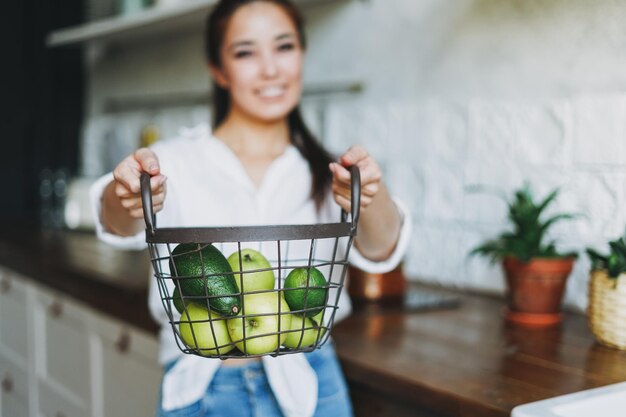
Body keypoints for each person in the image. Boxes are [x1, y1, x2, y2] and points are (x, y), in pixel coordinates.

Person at [90, 1, 411, 416]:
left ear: (302, 54)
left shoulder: (330, 170)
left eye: (284, 47)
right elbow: (114, 221)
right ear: (218, 69)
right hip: (204, 387)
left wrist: (369, 194)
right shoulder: (173, 162)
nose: (270, 69)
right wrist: (127, 194)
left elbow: (383, 248)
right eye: (245, 53)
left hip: (312, 385)